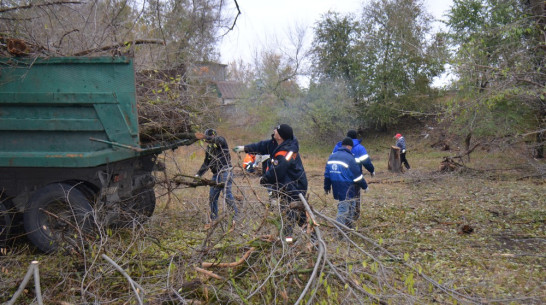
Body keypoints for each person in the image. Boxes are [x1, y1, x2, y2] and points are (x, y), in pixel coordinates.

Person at [233, 124, 307, 243]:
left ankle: (294, 242)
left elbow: (278, 171)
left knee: (291, 216)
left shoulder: (286, 152)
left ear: (281, 136)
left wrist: (264, 179)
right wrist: (244, 148)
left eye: (276, 130)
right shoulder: (275, 143)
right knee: (292, 215)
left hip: (295, 186)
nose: (274, 130)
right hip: (285, 186)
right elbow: (261, 146)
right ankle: (293, 240)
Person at [195, 128, 238, 226]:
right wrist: (198, 175)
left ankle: (235, 217)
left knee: (227, 194)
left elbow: (218, 140)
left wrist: (204, 136)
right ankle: (214, 218)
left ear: (213, 136)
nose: (206, 141)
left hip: (226, 171)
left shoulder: (221, 141)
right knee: (212, 196)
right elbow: (206, 163)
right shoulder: (209, 149)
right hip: (216, 175)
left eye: (208, 138)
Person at [324, 137, 368, 230]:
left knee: (351, 205)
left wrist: (326, 186)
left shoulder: (332, 156)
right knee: (343, 209)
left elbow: (327, 174)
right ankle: (339, 231)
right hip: (346, 186)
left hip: (336, 185)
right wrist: (365, 186)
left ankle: (348, 227)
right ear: (349, 146)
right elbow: (358, 176)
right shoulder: (350, 158)